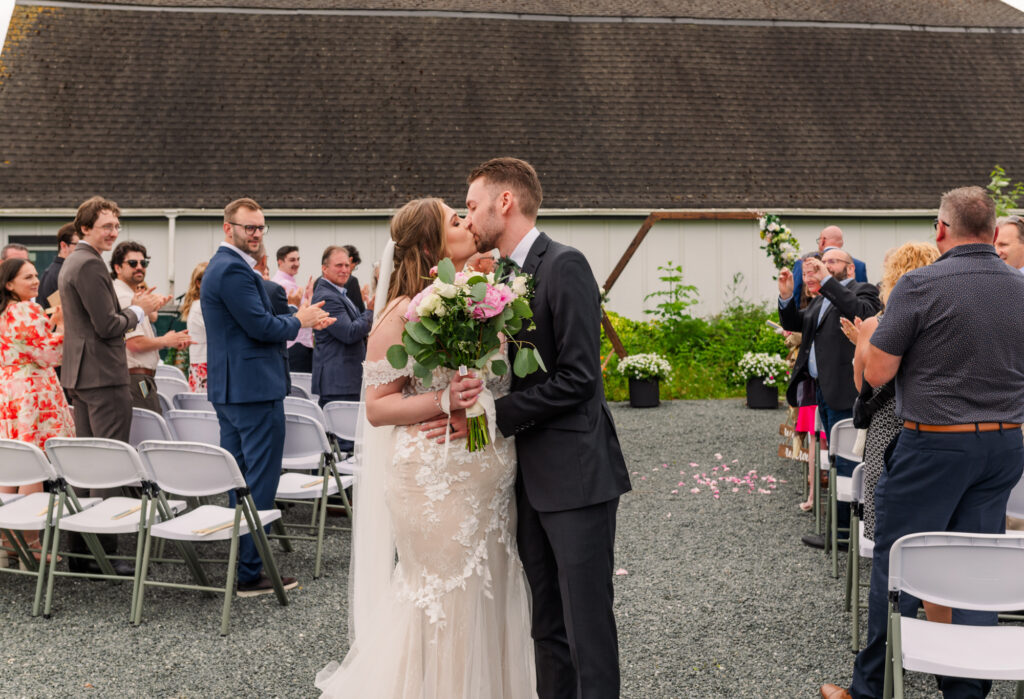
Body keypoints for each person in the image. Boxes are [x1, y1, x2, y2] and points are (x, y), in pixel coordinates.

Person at [315, 197, 536, 698]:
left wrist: (479, 407)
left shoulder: (485, 297)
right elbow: (377, 408)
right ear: (432, 243)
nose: (468, 222)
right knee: (445, 597)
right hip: (434, 480)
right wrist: (443, 399)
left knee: (492, 587)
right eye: (455, 219)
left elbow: (493, 387)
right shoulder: (401, 311)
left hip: (488, 474)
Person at [822, 187, 1024, 699]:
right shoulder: (1020, 287)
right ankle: (965, 691)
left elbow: (878, 373)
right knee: (976, 568)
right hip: (1004, 446)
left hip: (935, 445)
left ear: (942, 229)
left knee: (899, 562)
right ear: (992, 231)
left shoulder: (920, 283)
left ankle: (869, 689)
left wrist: (875, 341)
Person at [449, 157, 632, 699]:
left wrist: (495, 414)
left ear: (505, 202)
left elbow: (580, 378)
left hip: (576, 477)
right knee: (545, 625)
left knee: (586, 626)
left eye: (472, 206)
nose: (468, 218)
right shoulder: (501, 276)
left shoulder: (564, 264)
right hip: (526, 478)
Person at [201, 197, 332, 597]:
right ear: (229, 228)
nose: (256, 234)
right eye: (249, 227)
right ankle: (249, 572)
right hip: (253, 389)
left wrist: (296, 317)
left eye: (260, 227)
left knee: (240, 479)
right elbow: (260, 327)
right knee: (258, 480)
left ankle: (243, 562)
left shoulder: (225, 266)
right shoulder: (232, 269)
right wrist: (300, 320)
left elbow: (255, 321)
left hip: (234, 388)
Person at [58, 196, 169, 575]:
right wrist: (139, 310)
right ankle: (101, 555)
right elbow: (107, 326)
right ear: (85, 227)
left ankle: (82, 554)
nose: (113, 232)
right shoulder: (89, 263)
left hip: (82, 373)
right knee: (107, 465)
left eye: (116, 226)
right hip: (103, 376)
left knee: (88, 465)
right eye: (106, 226)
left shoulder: (74, 260)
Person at [779, 247, 881, 549]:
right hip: (822, 389)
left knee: (848, 461)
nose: (825, 265)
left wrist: (825, 281)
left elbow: (861, 313)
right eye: (823, 262)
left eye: (832, 261)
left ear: (850, 269)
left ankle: (846, 534)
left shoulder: (864, 290)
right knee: (835, 459)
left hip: (845, 390)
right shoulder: (821, 298)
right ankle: (837, 530)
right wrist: (786, 296)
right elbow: (797, 323)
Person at [0, 258, 74, 563]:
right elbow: (50, 353)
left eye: (35, 275)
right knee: (35, 463)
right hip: (33, 391)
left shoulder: (5, 311)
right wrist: (63, 325)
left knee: (10, 464)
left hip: (9, 390)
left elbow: (27, 344)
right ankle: (30, 544)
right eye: (27, 277)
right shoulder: (25, 309)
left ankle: (7, 541)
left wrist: (51, 323)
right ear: (9, 284)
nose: (35, 281)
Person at [110, 241, 192, 413]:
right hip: (137, 379)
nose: (140, 267)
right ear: (118, 268)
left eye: (144, 263)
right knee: (150, 426)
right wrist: (166, 341)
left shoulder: (127, 294)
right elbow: (135, 343)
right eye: (133, 263)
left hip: (135, 378)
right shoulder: (124, 297)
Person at [310, 246, 373, 422]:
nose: (345, 270)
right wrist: (371, 311)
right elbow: (349, 333)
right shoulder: (327, 296)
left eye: (347, 265)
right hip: (339, 382)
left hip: (344, 380)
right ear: (324, 268)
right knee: (344, 436)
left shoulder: (339, 292)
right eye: (339, 265)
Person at [791, 226, 867, 303]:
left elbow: (796, 293)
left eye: (832, 262)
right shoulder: (859, 265)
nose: (826, 266)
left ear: (823, 241)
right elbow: (862, 297)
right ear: (841, 243)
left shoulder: (805, 261)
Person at [271, 245, 315, 372]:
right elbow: (298, 313)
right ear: (280, 262)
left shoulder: (284, 282)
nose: (297, 263)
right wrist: (311, 296)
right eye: (292, 260)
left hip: (294, 343)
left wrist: (306, 296)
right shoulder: (284, 284)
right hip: (296, 343)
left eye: (298, 259)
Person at [37, 223, 78, 312]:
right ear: (63, 246)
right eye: (79, 245)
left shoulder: (56, 271)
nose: (84, 249)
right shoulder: (62, 274)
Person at [180, 262, 208, 391]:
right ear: (198, 283)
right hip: (204, 363)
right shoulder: (200, 307)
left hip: (201, 362)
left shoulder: (199, 305)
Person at [342, 244, 367, 313]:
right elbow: (360, 311)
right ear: (350, 261)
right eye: (354, 267)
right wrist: (361, 299)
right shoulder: (352, 281)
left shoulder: (320, 281)